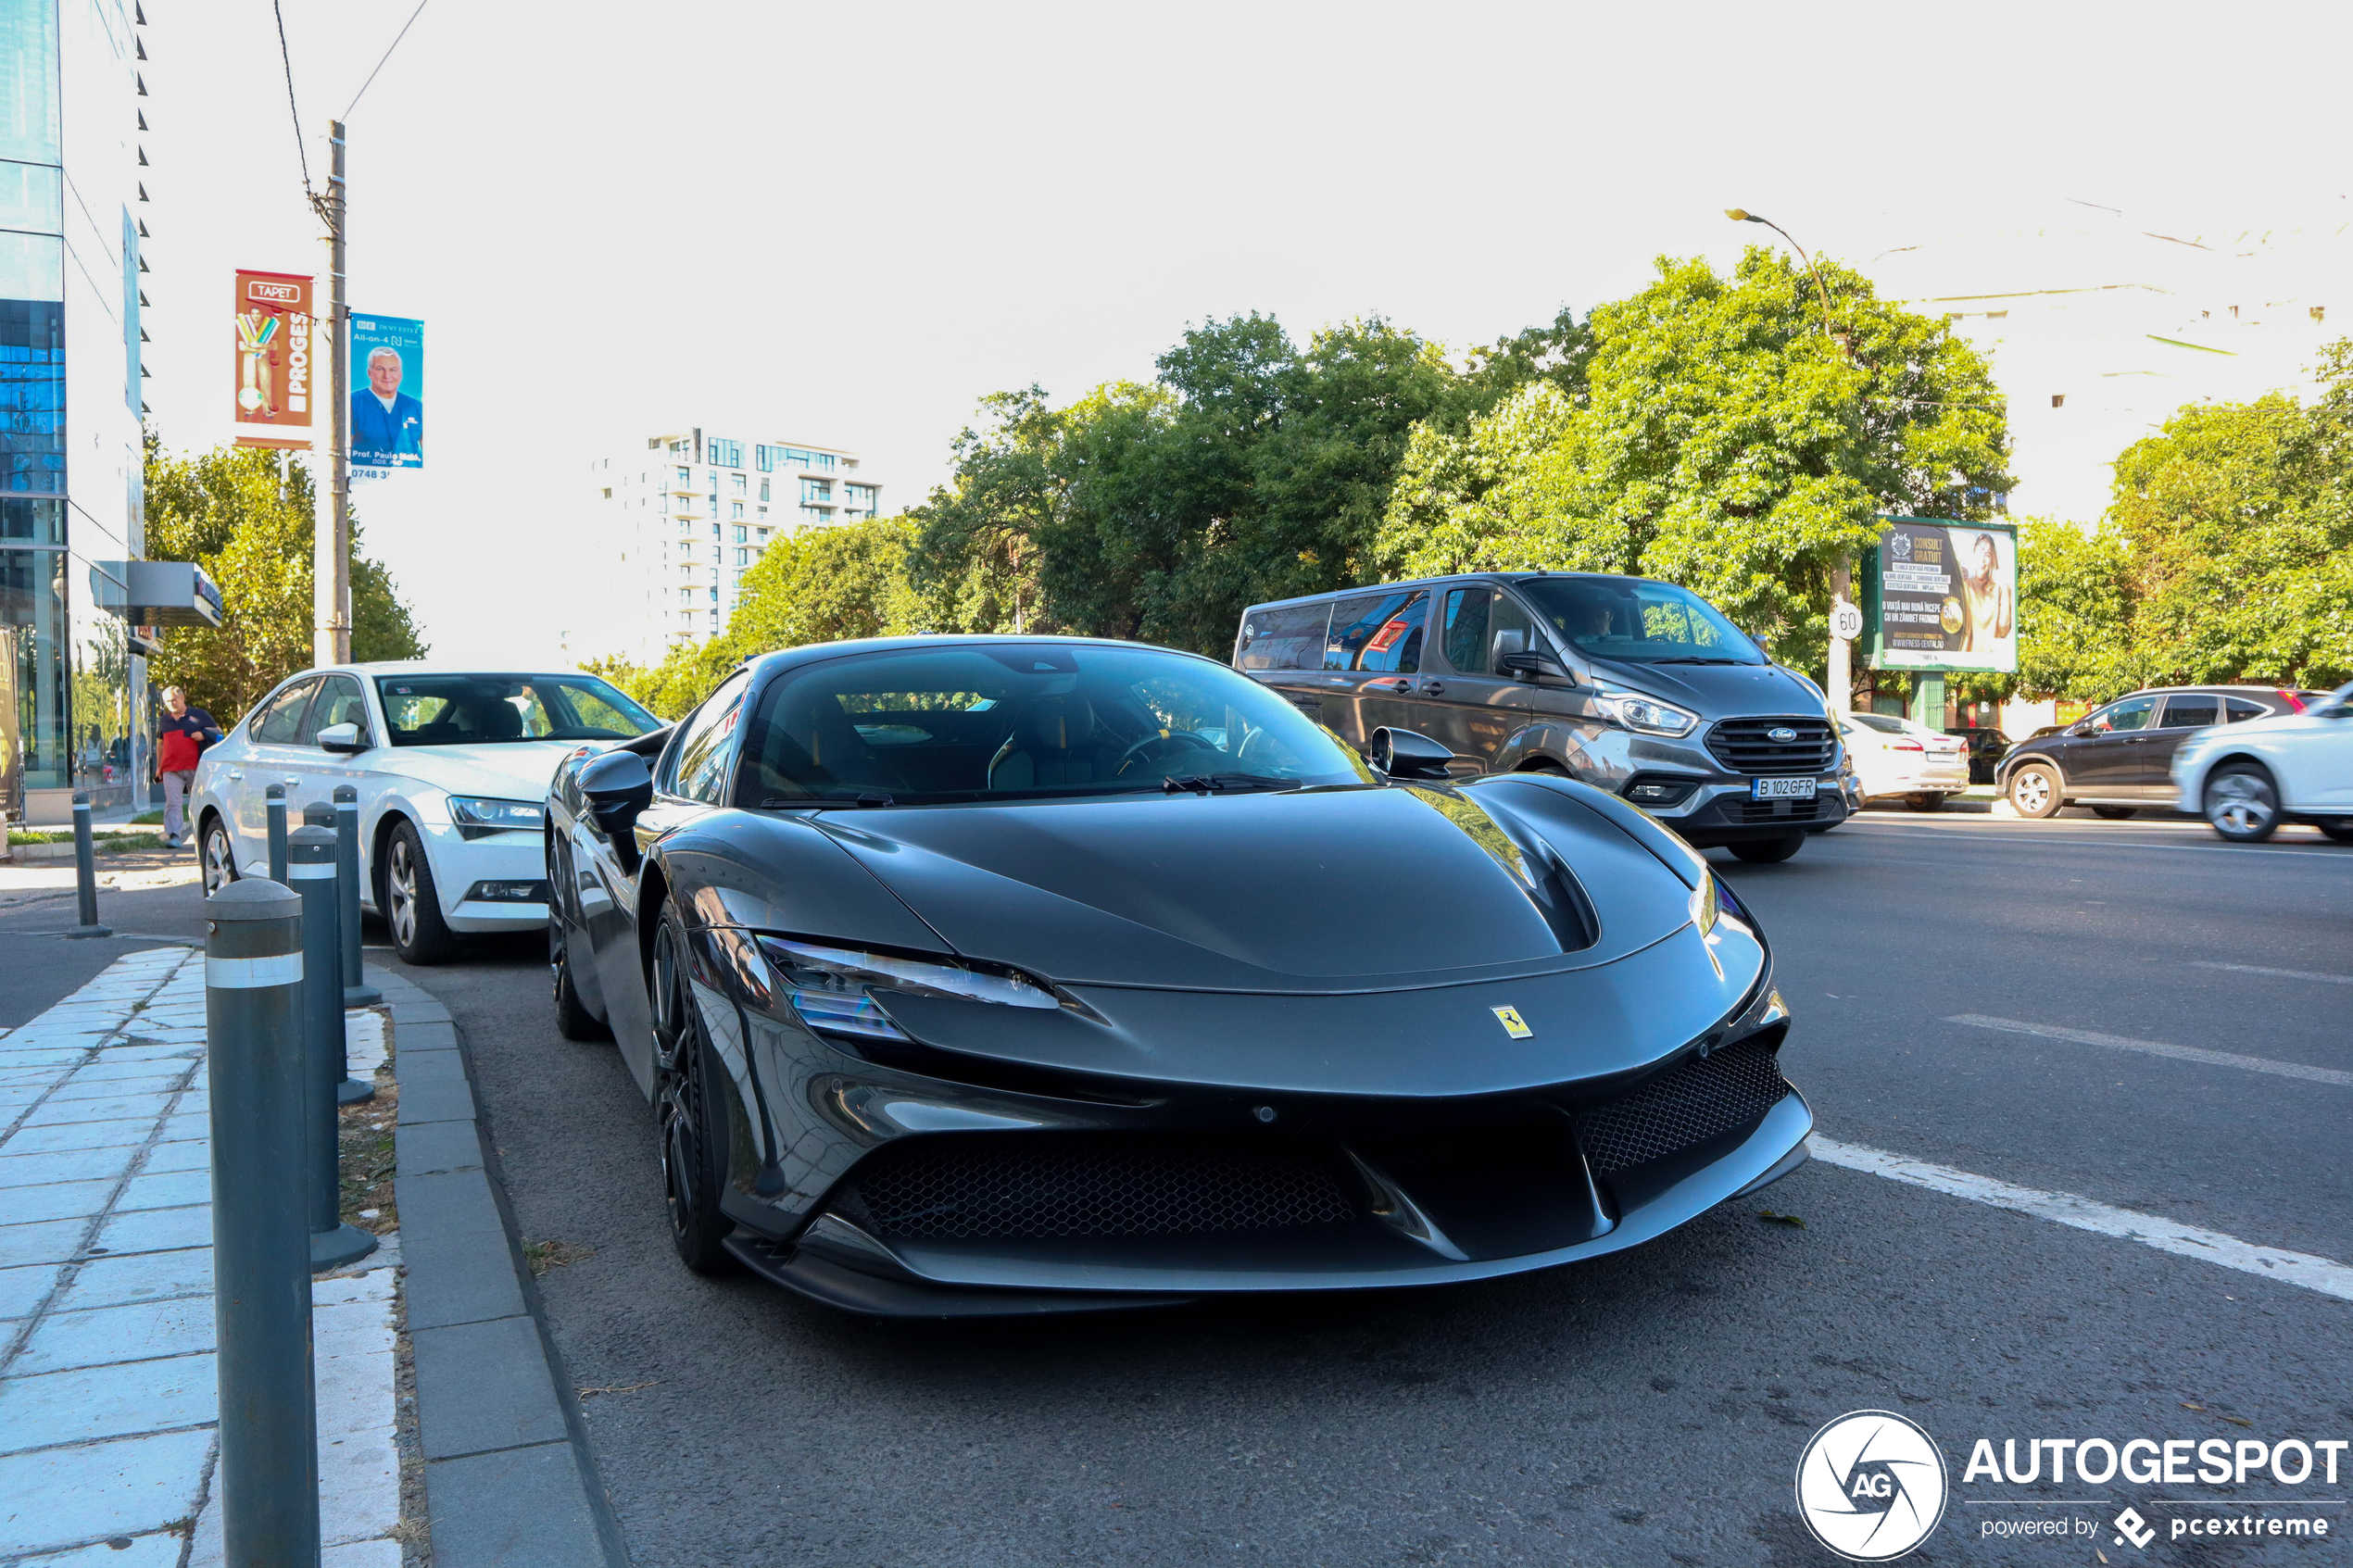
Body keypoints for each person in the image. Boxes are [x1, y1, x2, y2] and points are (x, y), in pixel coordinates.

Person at [155, 686, 220, 849]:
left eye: (174, 700)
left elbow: (219, 734)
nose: (171, 704)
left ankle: (200, 835)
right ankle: (174, 835)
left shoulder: (199, 716)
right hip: (171, 768)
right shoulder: (165, 720)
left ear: (182, 698)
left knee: (197, 802)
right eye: (167, 702)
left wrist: (204, 735)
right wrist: (158, 768)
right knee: (172, 803)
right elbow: (160, 743)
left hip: (196, 768)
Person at [349, 345, 422, 466]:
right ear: (369, 373)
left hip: (408, 480)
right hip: (363, 480)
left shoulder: (415, 407)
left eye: (393, 370)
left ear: (400, 374)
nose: (387, 376)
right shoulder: (354, 402)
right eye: (380, 369)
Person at [1958, 532, 2013, 655]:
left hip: (1985, 660)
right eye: (1979, 553)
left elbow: (2004, 628)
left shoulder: (2001, 588)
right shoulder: (1965, 585)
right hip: (1971, 659)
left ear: (1993, 558)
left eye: (1987, 554)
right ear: (1973, 555)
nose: (1982, 560)